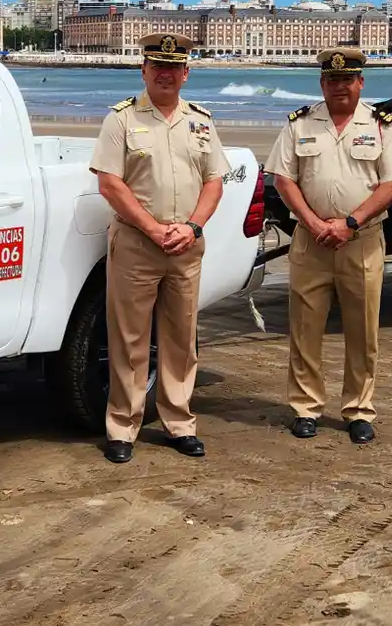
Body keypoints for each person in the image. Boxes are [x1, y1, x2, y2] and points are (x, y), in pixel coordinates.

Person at [89, 33, 227, 464]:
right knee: (129, 338)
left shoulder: (202, 121)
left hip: (186, 245)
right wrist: (151, 228)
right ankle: (122, 427)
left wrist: (193, 226)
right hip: (136, 244)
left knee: (181, 339)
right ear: (144, 70)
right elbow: (110, 183)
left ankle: (179, 423)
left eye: (174, 67)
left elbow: (214, 181)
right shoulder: (122, 120)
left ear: (186, 73)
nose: (166, 74)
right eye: (157, 67)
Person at [265, 47, 392, 444]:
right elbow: (283, 178)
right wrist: (314, 223)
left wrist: (351, 222)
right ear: (322, 84)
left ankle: (359, 410)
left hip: (361, 242)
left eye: (347, 79)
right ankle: (305, 407)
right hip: (310, 242)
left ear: (360, 83)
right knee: (304, 329)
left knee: (363, 331)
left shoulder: (381, 125)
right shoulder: (300, 123)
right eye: (332, 80)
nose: (339, 87)